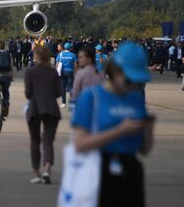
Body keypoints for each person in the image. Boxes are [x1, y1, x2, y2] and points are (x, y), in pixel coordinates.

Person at [71, 42, 155, 207]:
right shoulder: (91, 98)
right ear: (115, 70)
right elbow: (80, 144)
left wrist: (148, 131)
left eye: (137, 82)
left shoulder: (136, 99)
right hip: (98, 169)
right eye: (129, 79)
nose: (133, 85)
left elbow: (144, 149)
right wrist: (119, 131)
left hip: (130, 171)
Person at [23, 45, 62, 185]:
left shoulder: (30, 72)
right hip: (51, 109)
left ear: (35, 57)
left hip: (35, 108)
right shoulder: (53, 73)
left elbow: (28, 93)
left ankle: (36, 173)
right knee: (47, 141)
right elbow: (59, 92)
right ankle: (47, 170)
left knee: (35, 141)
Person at [56, 42, 77, 108]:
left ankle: (63, 103)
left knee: (63, 87)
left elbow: (57, 64)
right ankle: (71, 102)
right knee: (71, 87)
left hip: (62, 72)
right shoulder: (73, 55)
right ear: (70, 48)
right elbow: (76, 65)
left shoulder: (60, 54)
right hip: (70, 72)